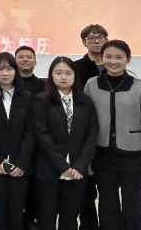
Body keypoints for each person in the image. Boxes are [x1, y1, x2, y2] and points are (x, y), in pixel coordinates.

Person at [84, 40, 141, 230]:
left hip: (133, 159)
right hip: (103, 158)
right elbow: (86, 125)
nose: (113, 61)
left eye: (119, 57)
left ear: (128, 59)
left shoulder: (140, 87)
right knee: (107, 209)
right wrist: (86, 159)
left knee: (133, 211)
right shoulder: (92, 85)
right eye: (108, 57)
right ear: (102, 58)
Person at [32, 57, 98, 230]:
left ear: (75, 75)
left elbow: (92, 135)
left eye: (68, 73)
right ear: (51, 75)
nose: (63, 77)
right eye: (58, 73)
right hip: (49, 169)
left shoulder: (85, 101)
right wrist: (62, 166)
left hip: (77, 171)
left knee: (69, 219)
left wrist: (80, 165)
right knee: (46, 218)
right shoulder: (42, 100)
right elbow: (42, 135)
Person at [0, 52, 35, 230]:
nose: (5, 73)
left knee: (16, 212)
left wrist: (21, 163)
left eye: (9, 68)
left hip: (20, 166)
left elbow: (31, 132)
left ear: (15, 71)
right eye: (0, 69)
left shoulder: (26, 97)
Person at [74, 24, 108, 230]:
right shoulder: (76, 67)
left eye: (101, 37)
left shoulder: (113, 66)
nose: (97, 40)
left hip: (108, 136)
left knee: (108, 190)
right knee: (85, 191)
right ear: (84, 42)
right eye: (92, 37)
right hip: (84, 134)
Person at [13, 45, 44, 229]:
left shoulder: (44, 86)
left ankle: (30, 220)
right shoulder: (8, 85)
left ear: (35, 62)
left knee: (35, 186)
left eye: (29, 57)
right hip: (14, 144)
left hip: (38, 145)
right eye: (21, 57)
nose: (25, 60)